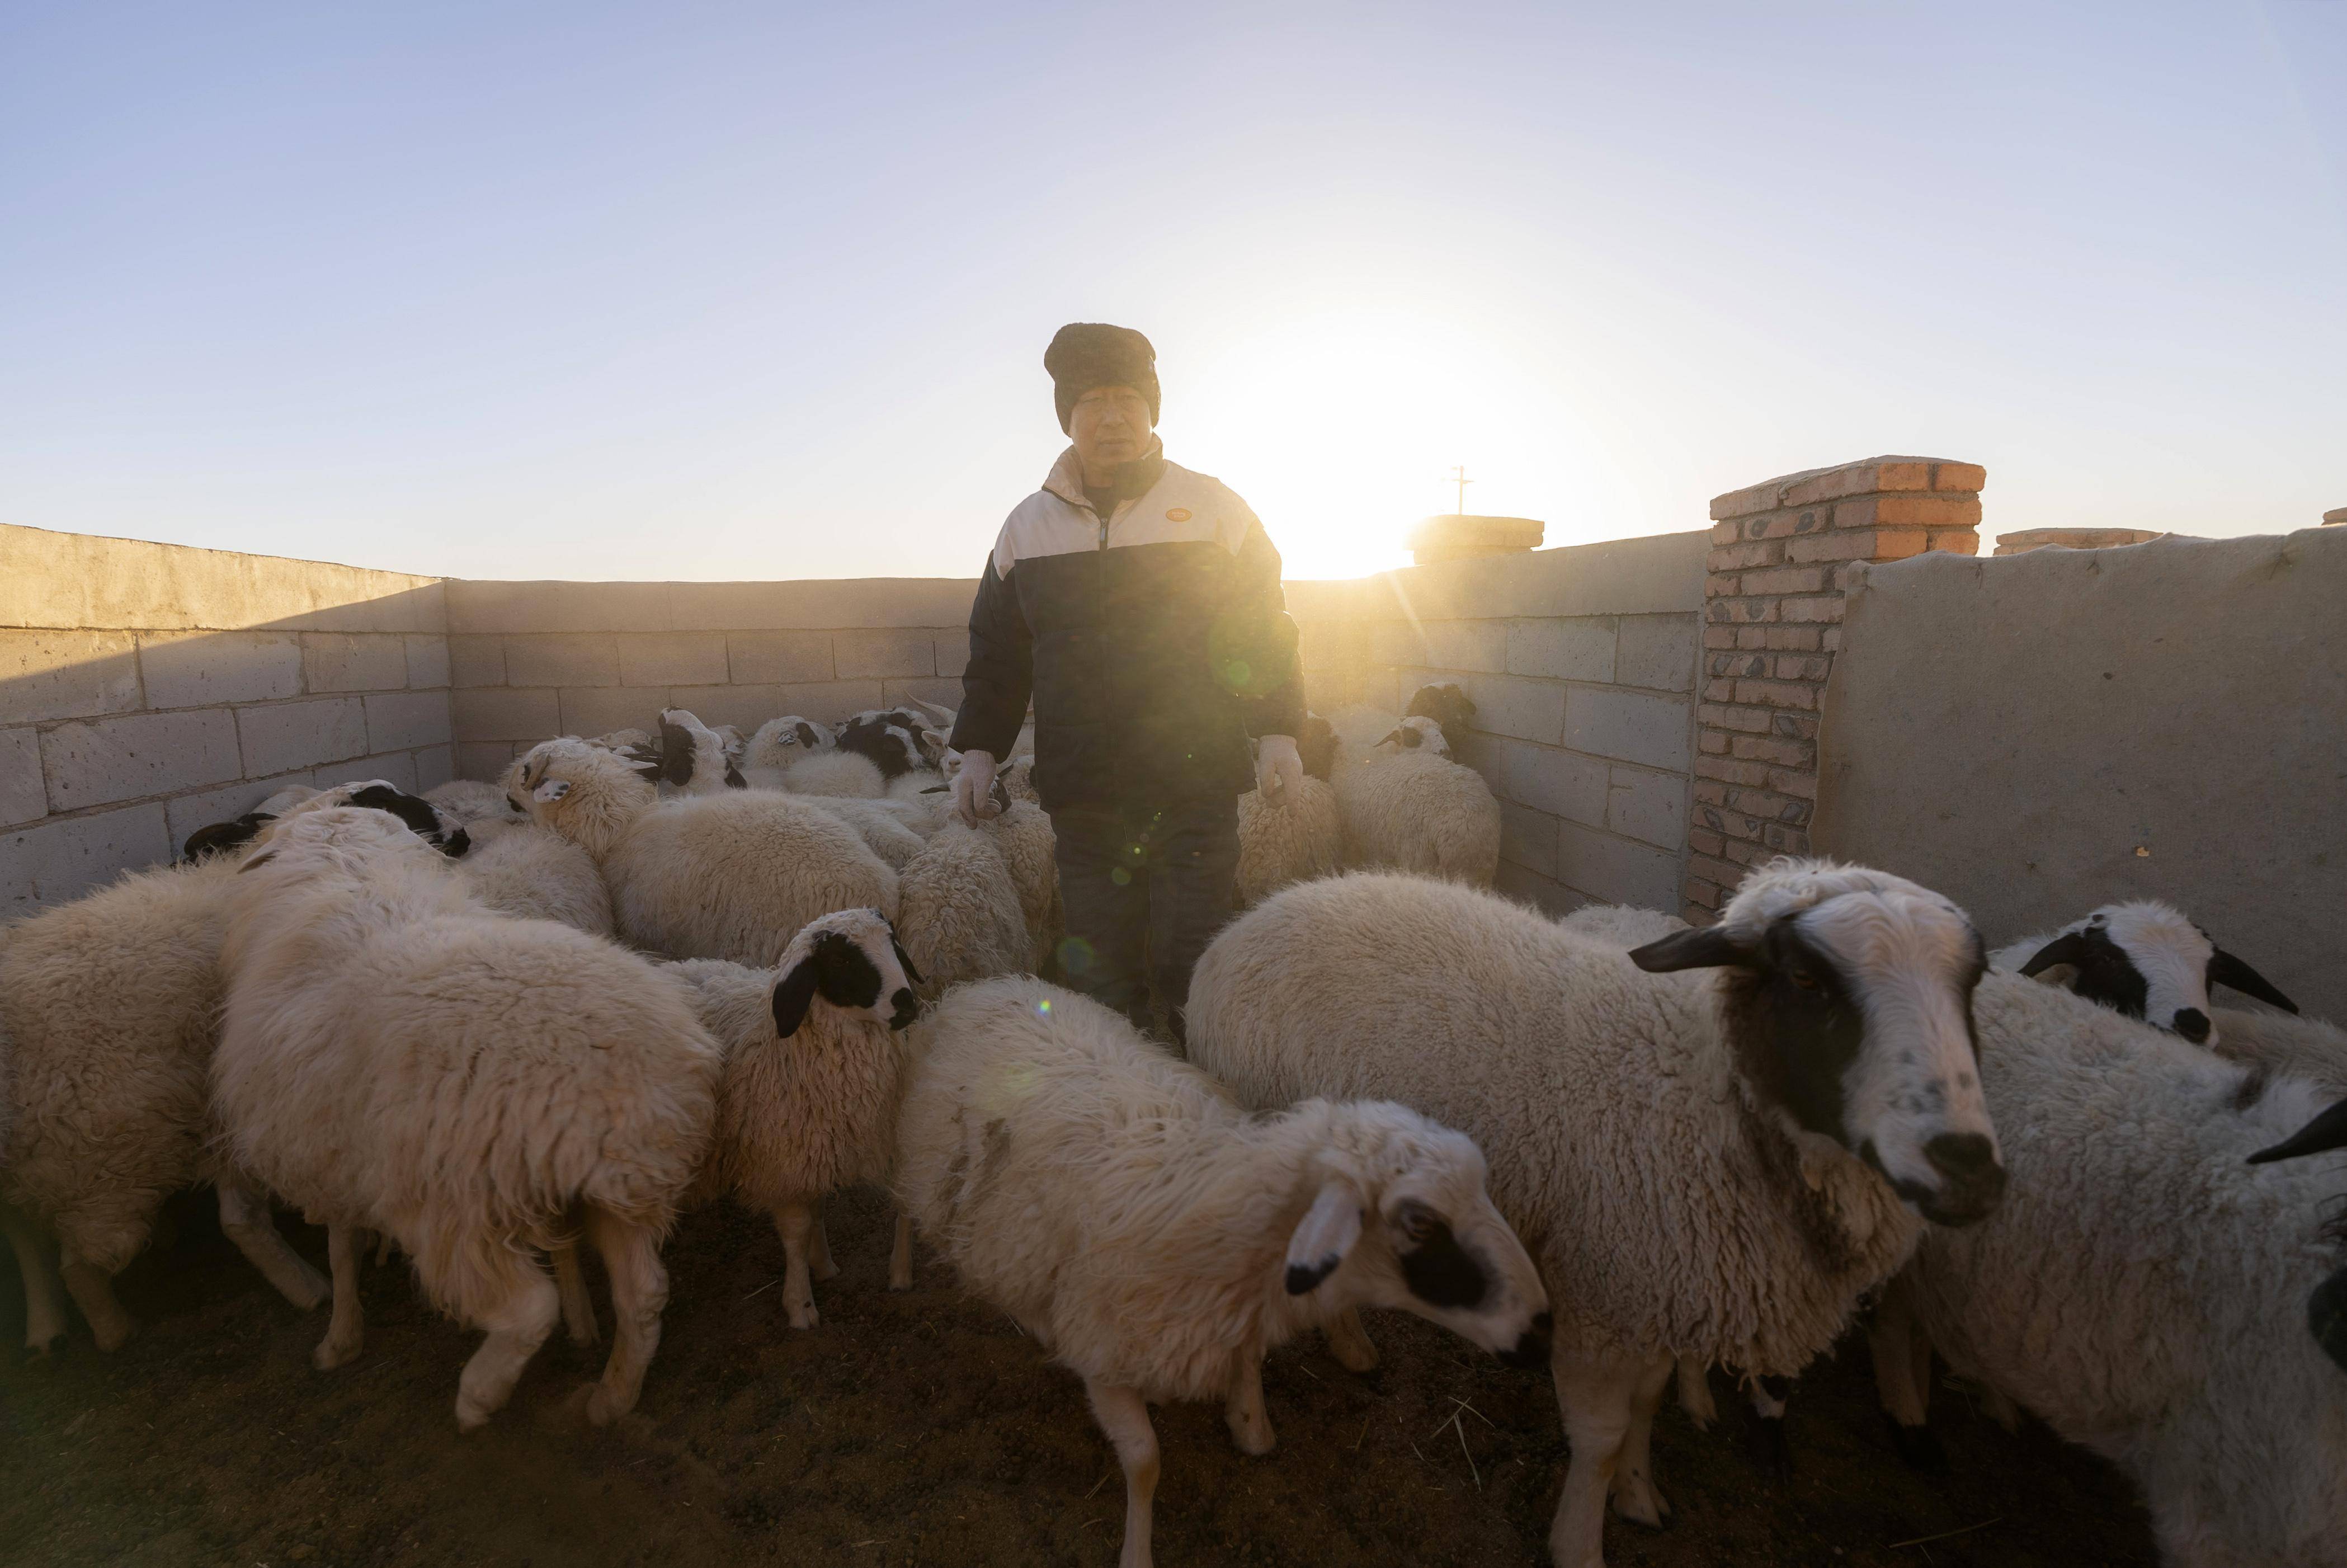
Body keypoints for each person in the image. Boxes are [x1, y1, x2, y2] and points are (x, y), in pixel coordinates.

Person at [948, 322, 1304, 1047]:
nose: (1110, 418)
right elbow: (999, 651)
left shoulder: (1214, 511)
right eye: (1091, 402)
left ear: (1153, 411)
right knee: (1101, 970)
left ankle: (1207, 1100)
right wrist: (979, 748)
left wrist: (1278, 728)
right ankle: (1118, 1120)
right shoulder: (1028, 528)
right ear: (1067, 415)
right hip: (1089, 797)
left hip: (1192, 783)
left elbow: (1261, 627)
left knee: (1195, 959)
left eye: (1127, 400)